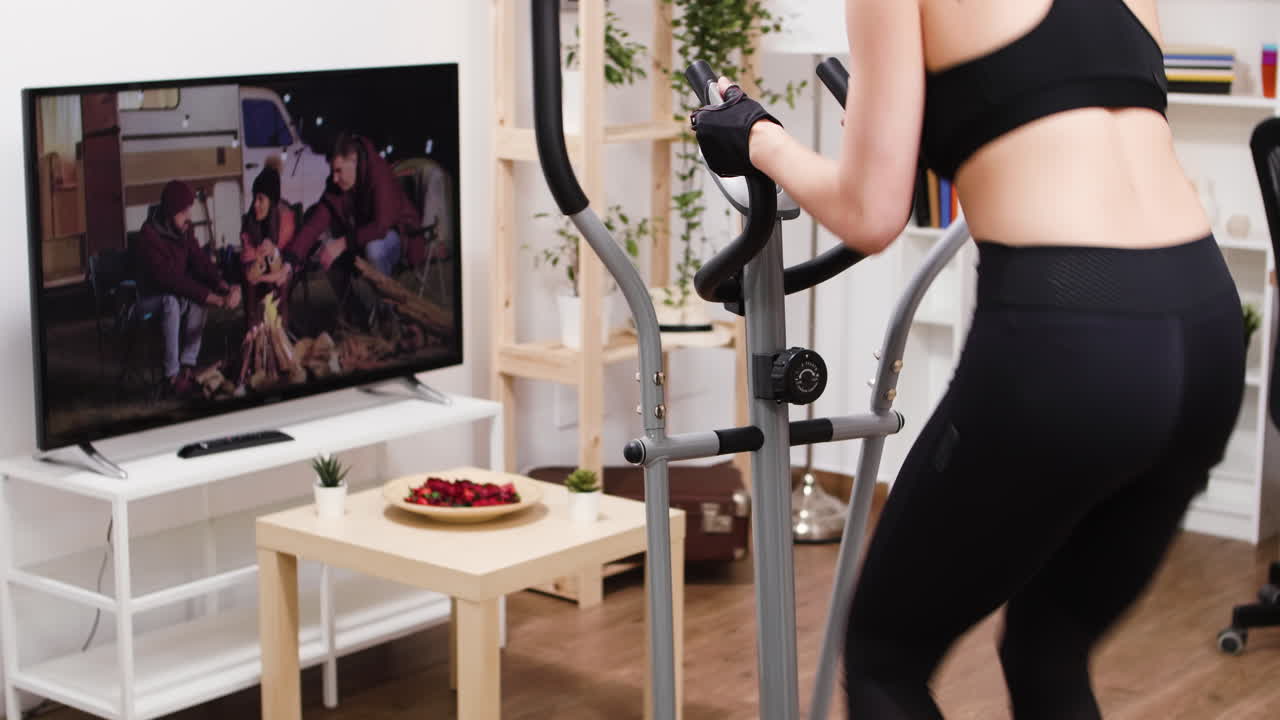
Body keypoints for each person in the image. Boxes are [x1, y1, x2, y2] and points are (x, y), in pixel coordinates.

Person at [690, 1, 1246, 718]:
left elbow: (870, 215)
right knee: (1050, 645)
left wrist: (754, 135)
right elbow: (1044, 102)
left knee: (885, 657)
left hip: (1073, 337)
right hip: (1208, 331)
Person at [285, 131, 419, 327]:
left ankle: (387, 318)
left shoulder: (378, 172)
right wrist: (289, 260)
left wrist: (343, 243)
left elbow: (381, 226)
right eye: (332, 172)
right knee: (327, 255)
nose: (334, 178)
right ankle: (357, 316)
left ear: (354, 160)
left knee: (374, 248)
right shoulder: (338, 186)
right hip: (362, 240)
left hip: (401, 237)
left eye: (339, 171)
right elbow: (314, 224)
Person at [135, 180, 242, 396]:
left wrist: (221, 284)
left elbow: (200, 261)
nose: (189, 217)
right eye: (183, 212)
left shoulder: (184, 229)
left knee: (193, 300)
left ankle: (187, 365)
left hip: (174, 295)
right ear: (170, 212)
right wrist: (214, 298)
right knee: (172, 302)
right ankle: (171, 376)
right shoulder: (148, 236)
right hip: (146, 301)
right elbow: (171, 281)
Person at [240, 165, 296, 326]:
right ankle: (253, 327)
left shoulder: (285, 218)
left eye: (261, 199)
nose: (255, 204)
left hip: (281, 269)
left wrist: (273, 252)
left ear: (272, 201)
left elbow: (283, 267)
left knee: (282, 283)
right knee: (249, 281)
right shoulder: (249, 220)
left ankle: (280, 327)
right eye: (254, 198)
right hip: (259, 268)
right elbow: (247, 259)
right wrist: (254, 258)